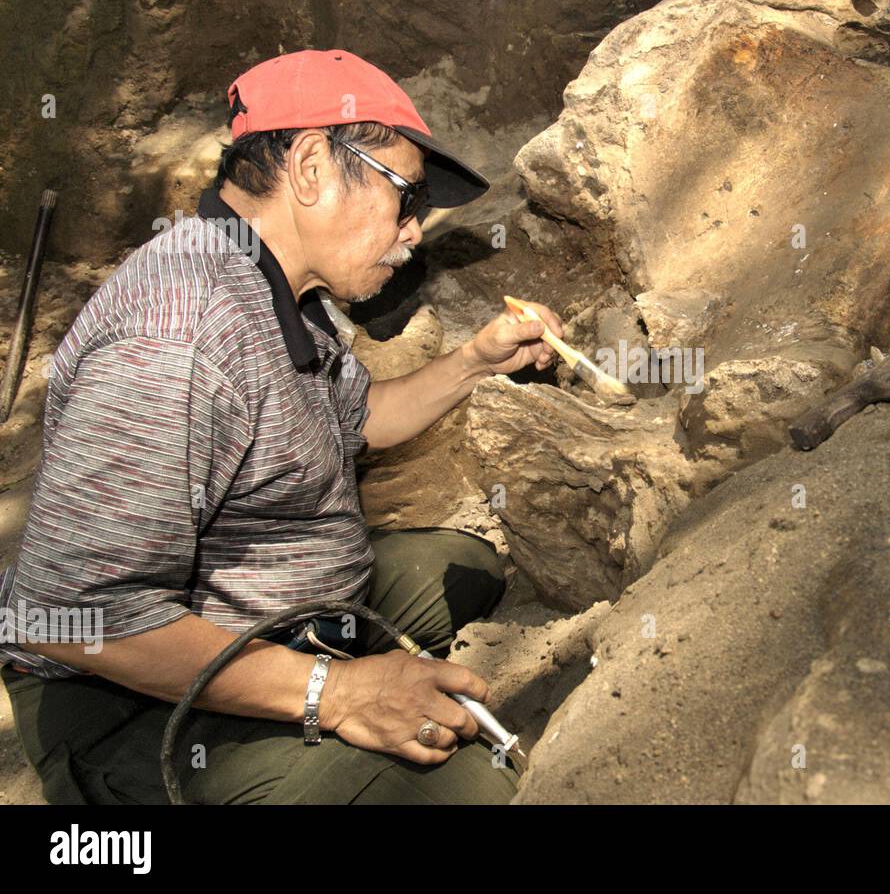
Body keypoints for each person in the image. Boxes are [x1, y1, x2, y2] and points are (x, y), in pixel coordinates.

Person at [0, 49, 564, 804]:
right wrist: (337, 693)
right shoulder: (177, 335)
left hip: (271, 620)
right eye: (405, 199)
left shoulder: (280, 288)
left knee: (465, 567)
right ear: (309, 166)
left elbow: (356, 420)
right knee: (474, 786)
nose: (411, 233)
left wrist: (473, 361)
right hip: (129, 696)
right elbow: (72, 615)